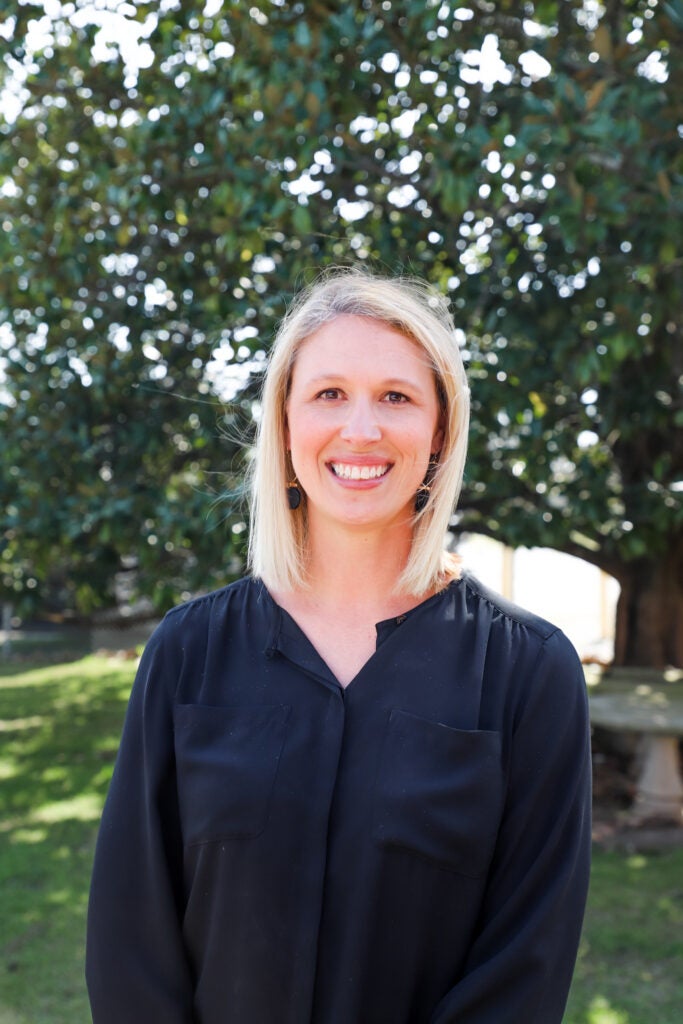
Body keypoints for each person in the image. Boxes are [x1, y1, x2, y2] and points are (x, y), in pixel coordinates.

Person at [86, 269, 591, 1023]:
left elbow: (527, 962)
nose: (360, 429)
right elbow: (131, 940)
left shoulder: (528, 673)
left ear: (440, 431)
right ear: (285, 423)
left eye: (396, 397)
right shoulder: (188, 653)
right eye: (328, 393)